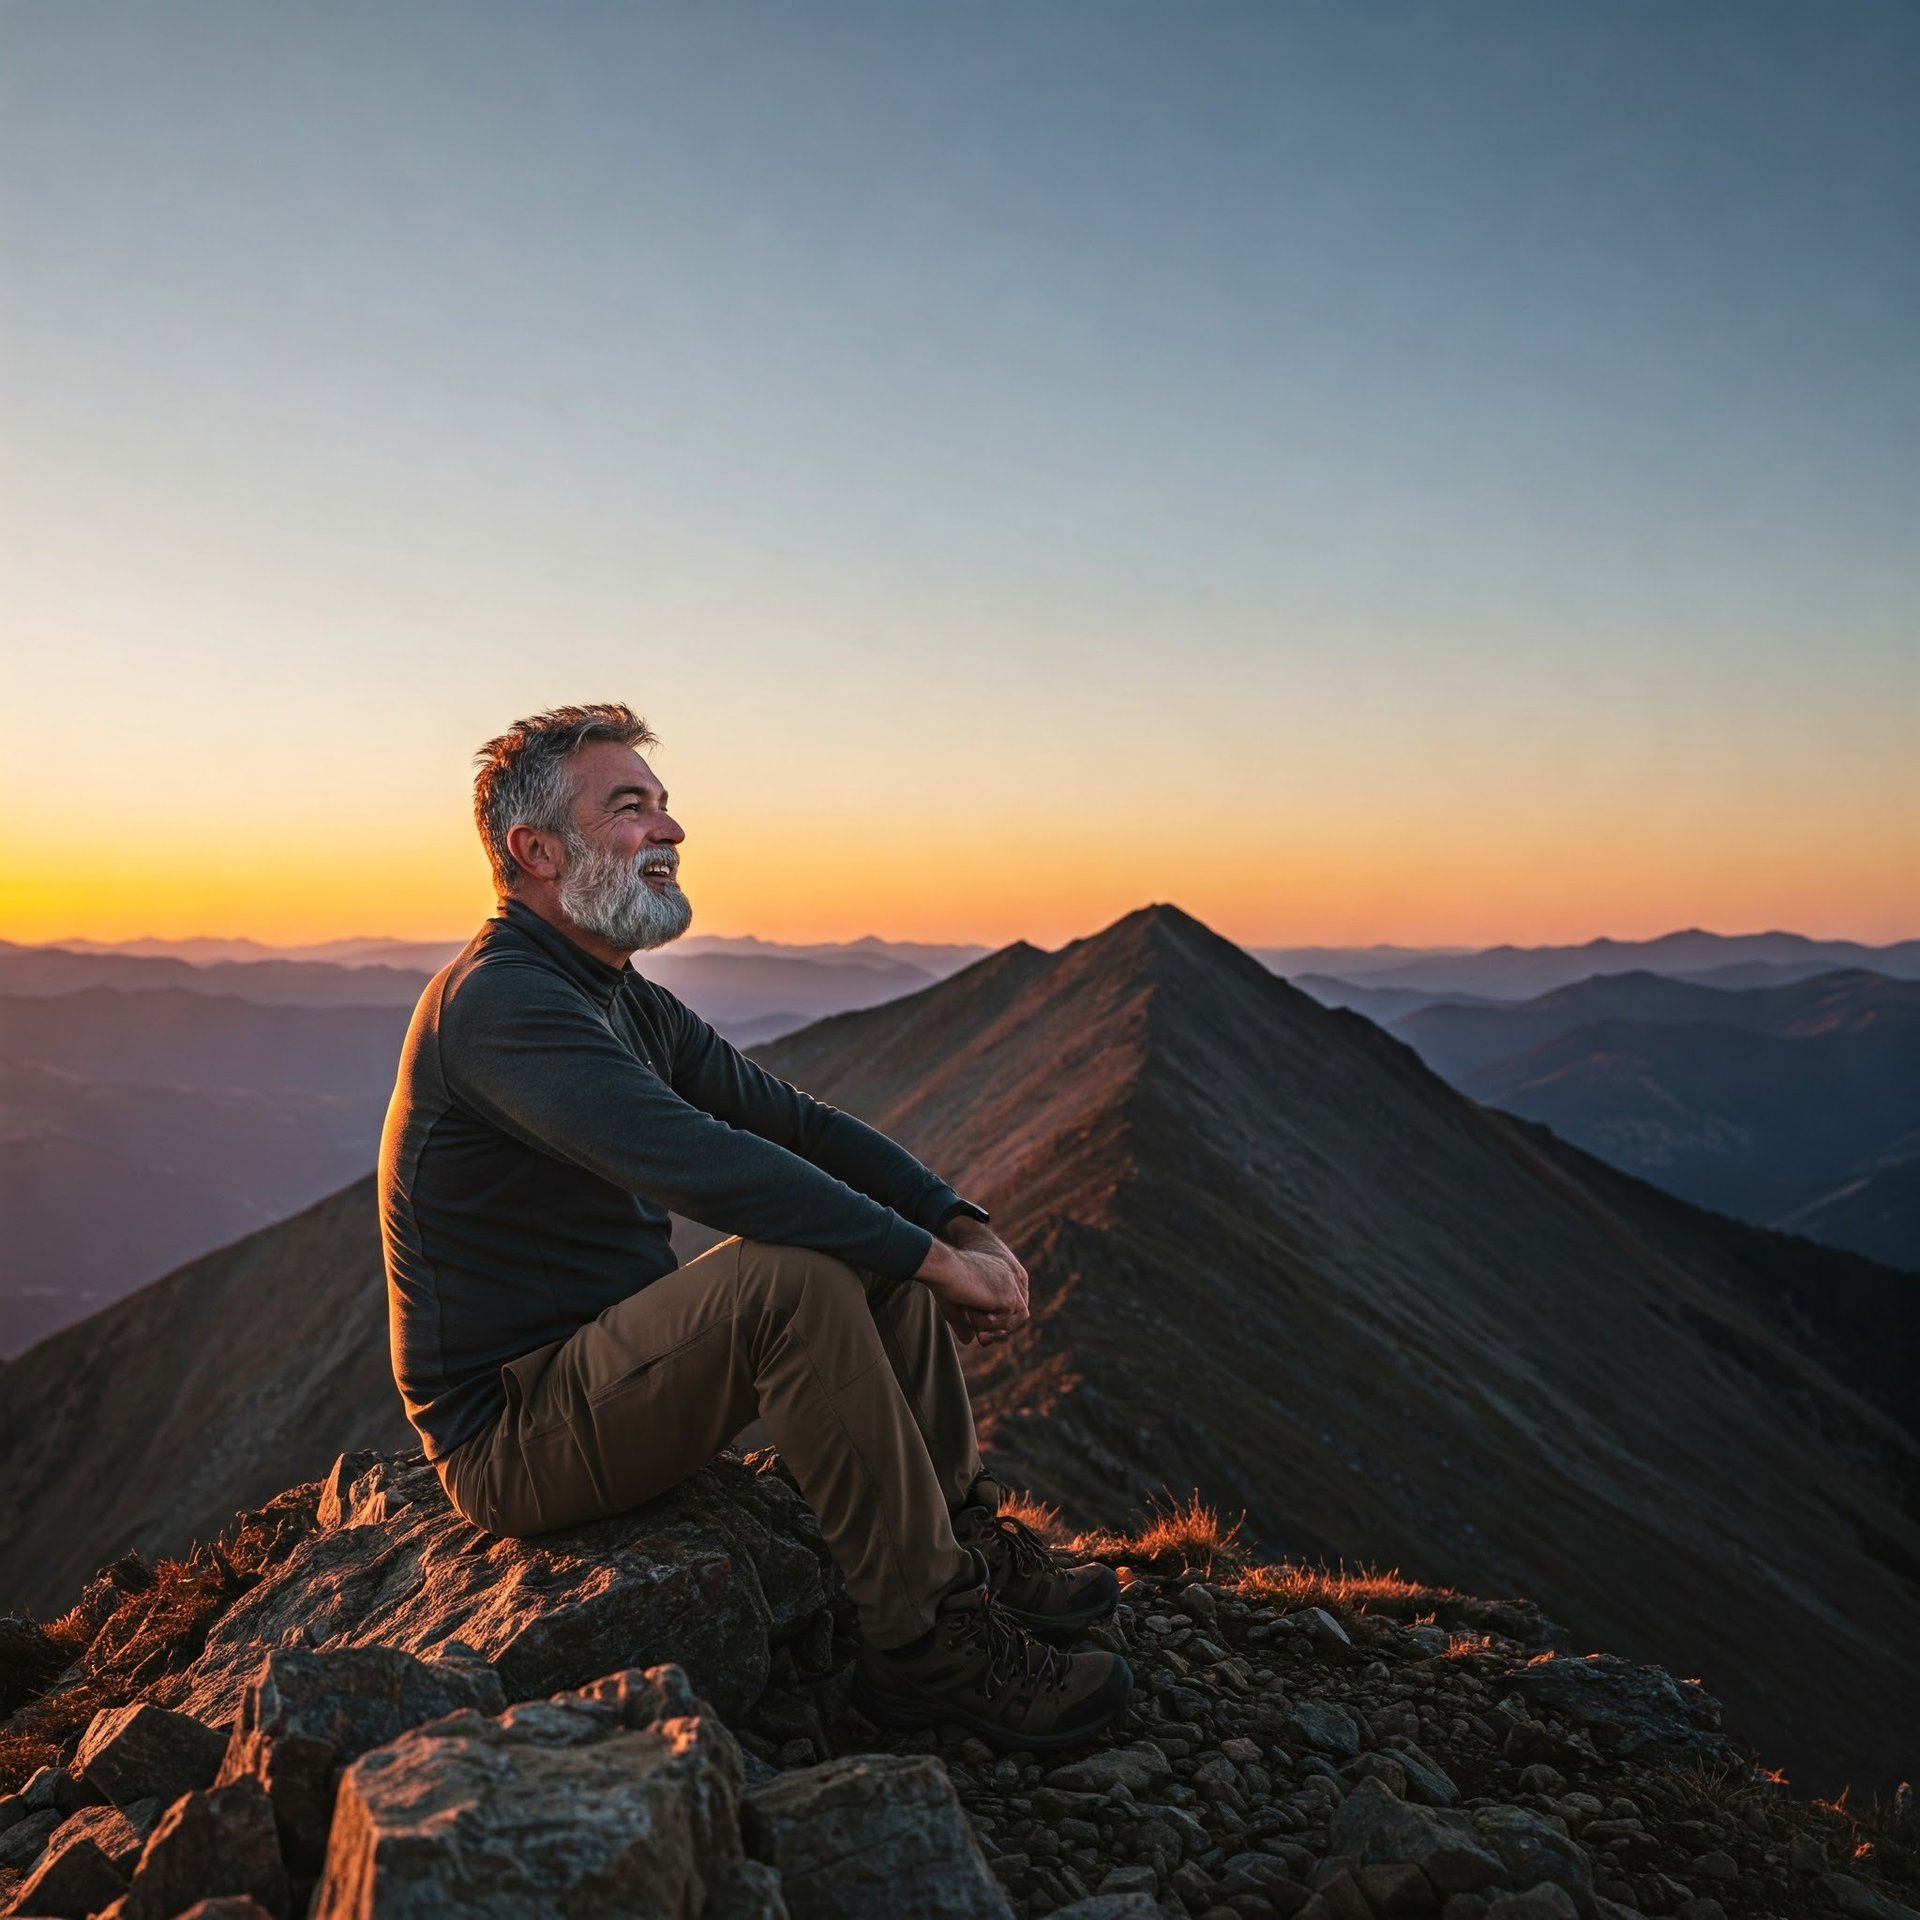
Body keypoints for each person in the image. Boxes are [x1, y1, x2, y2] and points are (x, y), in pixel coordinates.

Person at [378, 701, 1132, 1750]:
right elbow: (711, 1167)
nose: (671, 831)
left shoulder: (614, 993)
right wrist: (931, 1262)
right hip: (512, 1435)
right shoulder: (502, 1004)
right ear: (535, 851)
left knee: (855, 1248)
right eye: (631, 807)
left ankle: (963, 1542)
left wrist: (956, 1223)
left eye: (665, 806)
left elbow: (789, 1122)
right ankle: (923, 1647)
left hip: (604, 1379)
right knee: (798, 1274)